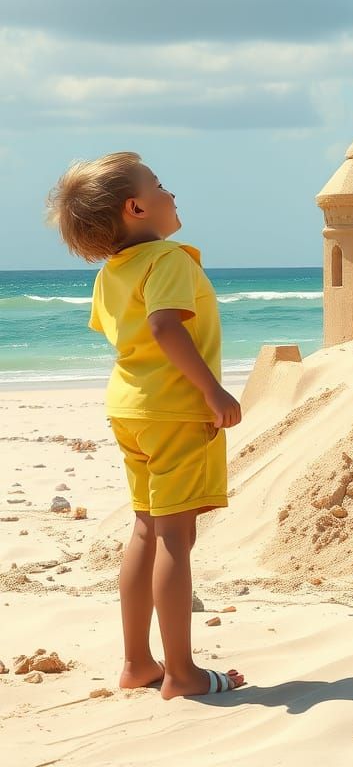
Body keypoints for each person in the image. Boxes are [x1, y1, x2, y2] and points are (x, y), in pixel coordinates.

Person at [46, 152, 245, 699]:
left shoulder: (114, 271)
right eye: (159, 185)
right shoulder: (169, 259)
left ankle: (138, 662)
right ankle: (181, 674)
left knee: (145, 529)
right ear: (136, 207)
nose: (171, 192)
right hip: (174, 411)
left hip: (129, 409)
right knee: (176, 539)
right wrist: (211, 389)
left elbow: (126, 333)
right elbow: (163, 327)